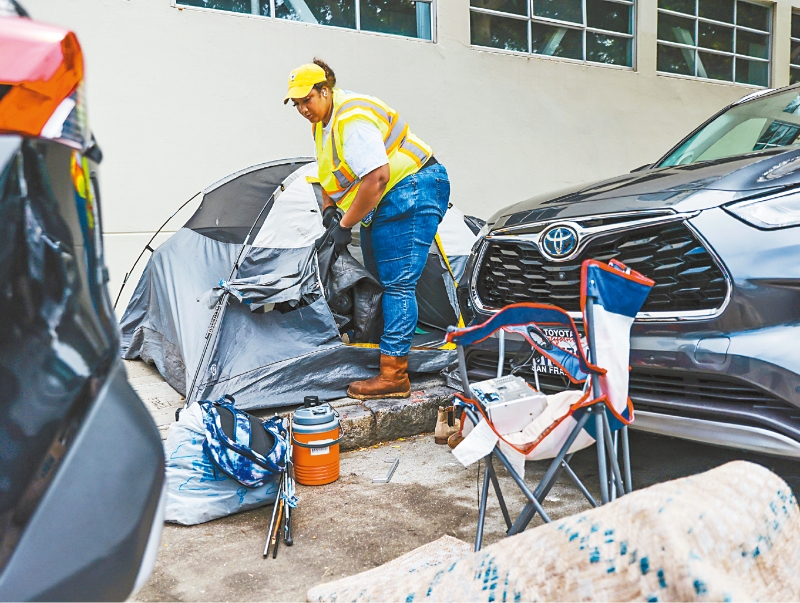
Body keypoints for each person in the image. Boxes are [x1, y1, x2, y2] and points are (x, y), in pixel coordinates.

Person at [285, 59, 450, 401]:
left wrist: (346, 225)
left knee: (398, 283)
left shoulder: (352, 118)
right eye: (296, 104)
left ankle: (394, 376)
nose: (302, 109)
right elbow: (329, 174)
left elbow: (376, 177)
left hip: (411, 189)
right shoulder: (322, 125)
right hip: (391, 196)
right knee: (382, 276)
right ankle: (383, 353)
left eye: (306, 100)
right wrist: (331, 211)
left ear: (324, 91)